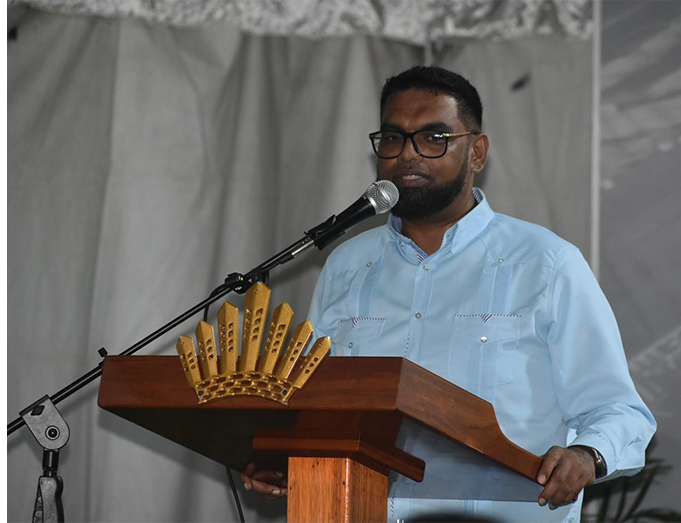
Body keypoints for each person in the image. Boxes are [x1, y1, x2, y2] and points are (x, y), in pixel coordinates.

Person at [242, 66, 656, 522]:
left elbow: (618, 410)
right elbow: (317, 406)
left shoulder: (546, 264)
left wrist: (586, 455)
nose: (408, 154)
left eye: (433, 138)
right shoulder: (347, 266)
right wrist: (284, 457)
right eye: (394, 138)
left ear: (476, 152)